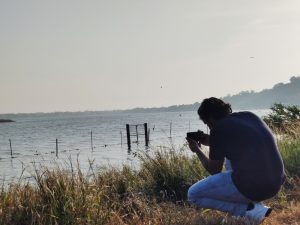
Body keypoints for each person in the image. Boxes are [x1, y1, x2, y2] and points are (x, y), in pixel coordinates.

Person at [186, 97, 285, 224]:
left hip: (256, 187)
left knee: (193, 194)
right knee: (230, 159)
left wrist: (197, 150)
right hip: (275, 183)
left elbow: (214, 169)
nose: (207, 126)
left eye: (206, 122)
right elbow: (240, 142)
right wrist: (210, 140)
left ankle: (248, 210)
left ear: (210, 118)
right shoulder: (249, 116)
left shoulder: (218, 129)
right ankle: (253, 207)